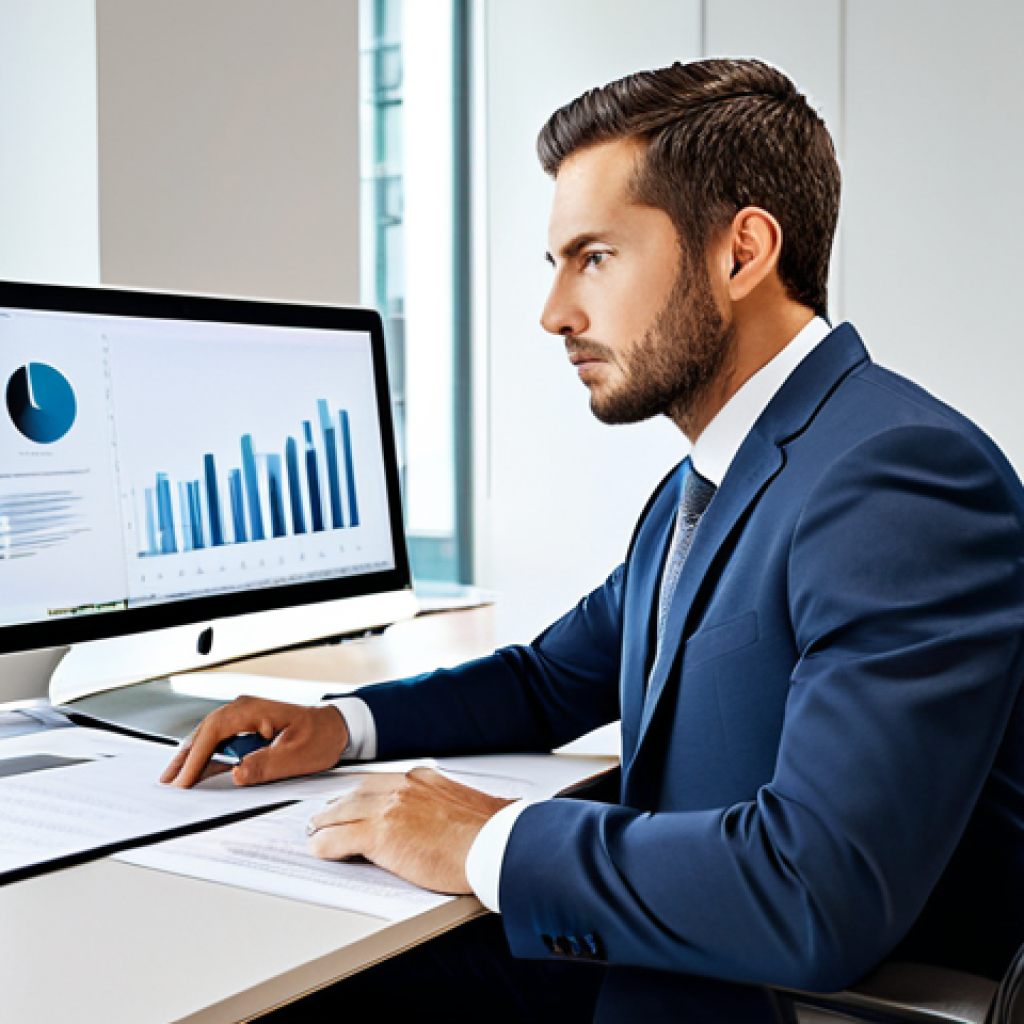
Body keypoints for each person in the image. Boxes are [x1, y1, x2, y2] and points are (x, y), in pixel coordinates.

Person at [162, 58, 1024, 1023]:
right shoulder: (710, 477)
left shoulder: (899, 479)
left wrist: (486, 840)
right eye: (556, 264)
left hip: (762, 996)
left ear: (742, 252)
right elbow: (548, 679)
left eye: (596, 257)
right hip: (664, 953)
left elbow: (814, 891)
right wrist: (345, 725)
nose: (555, 313)